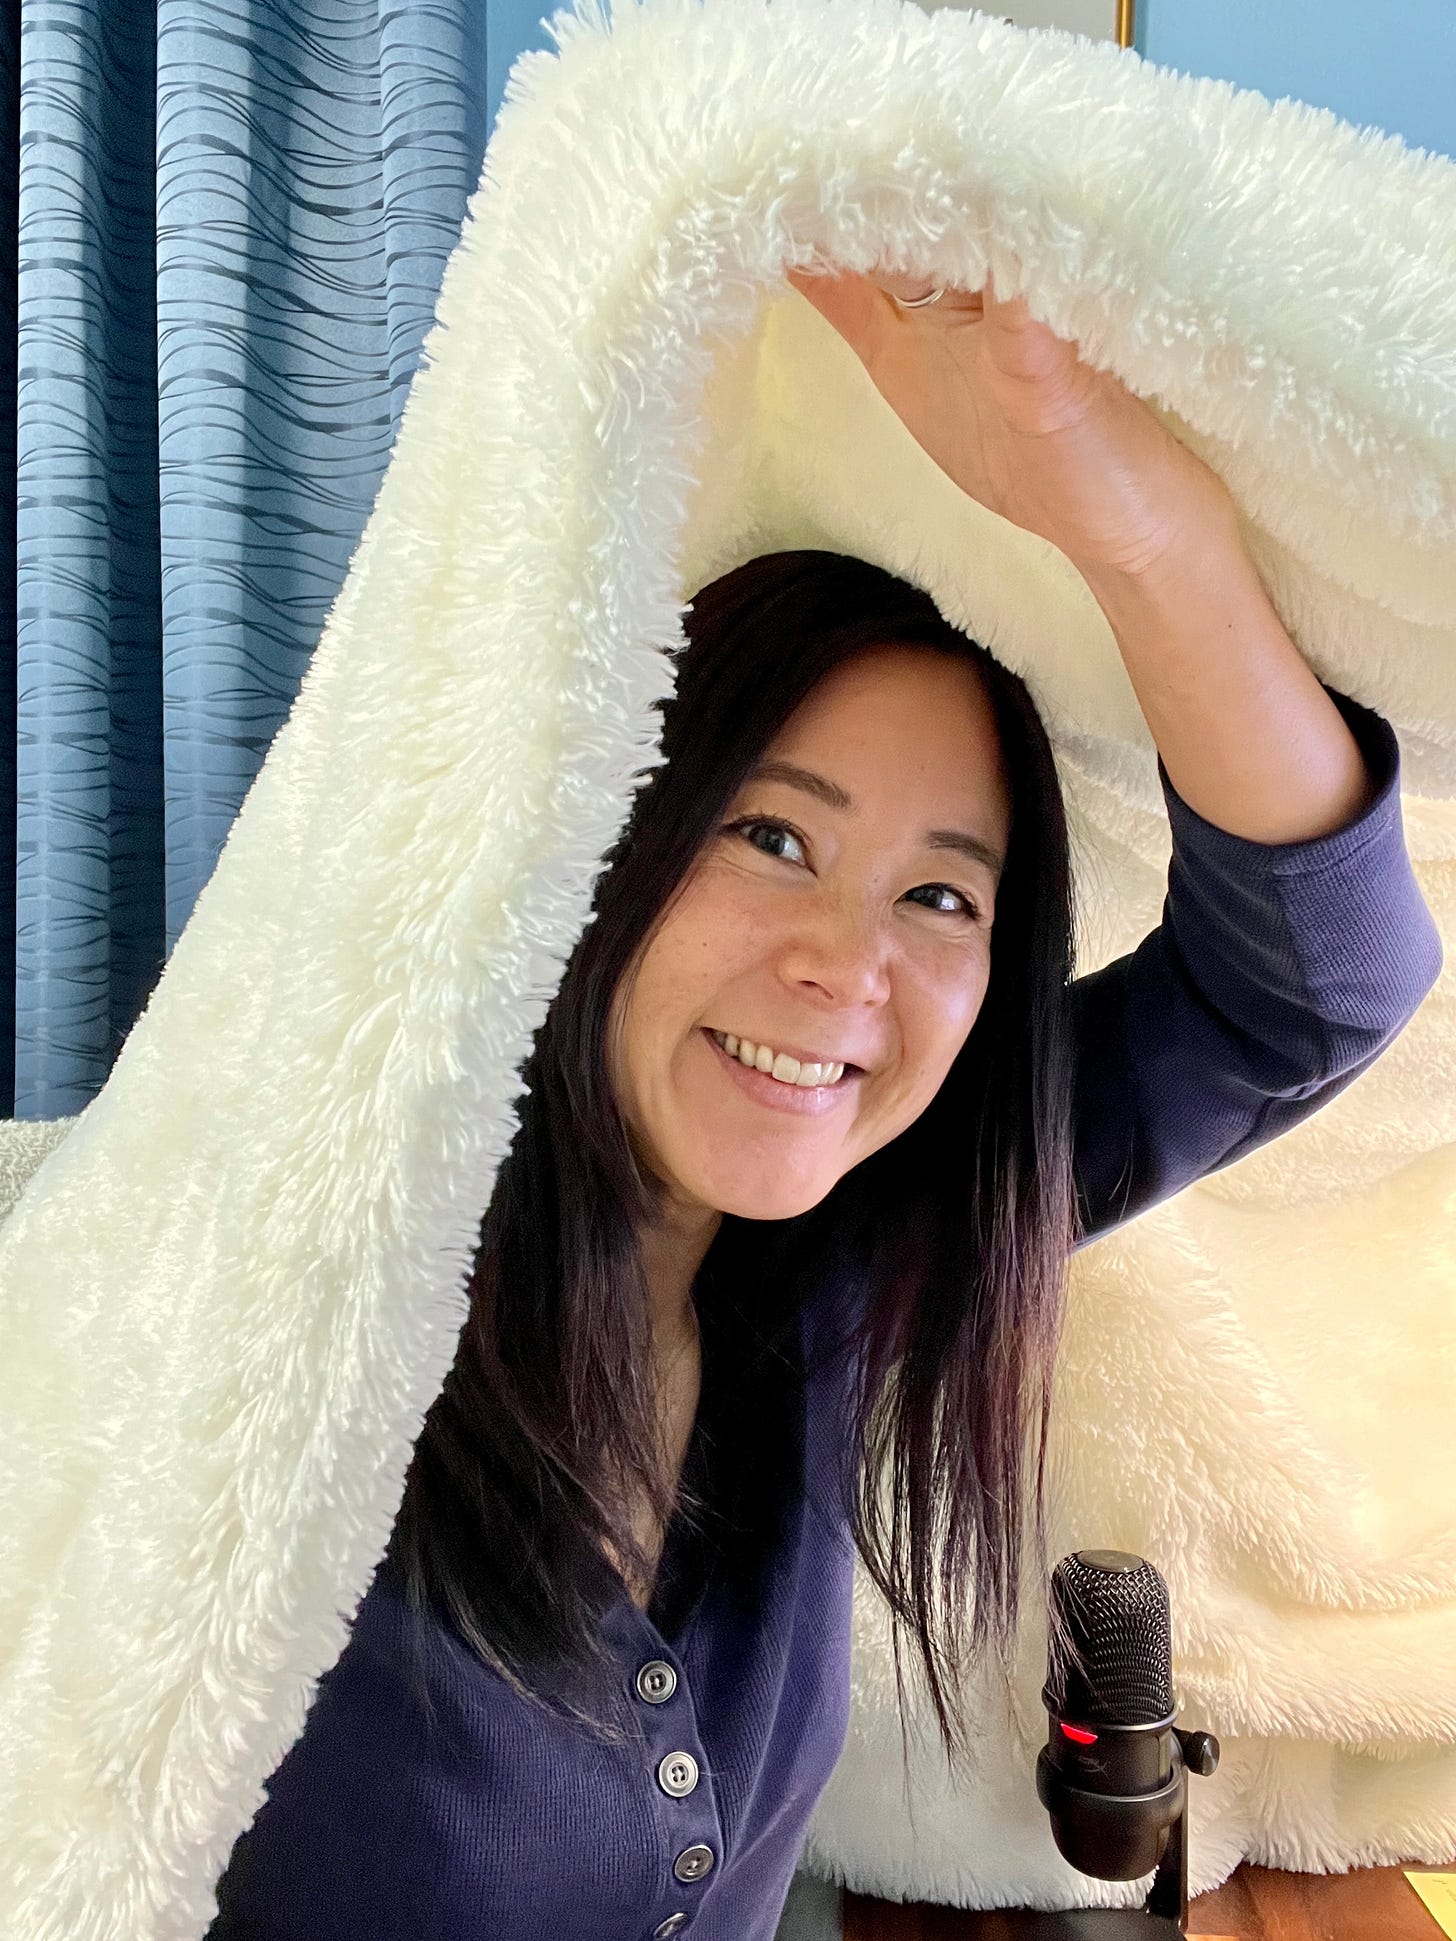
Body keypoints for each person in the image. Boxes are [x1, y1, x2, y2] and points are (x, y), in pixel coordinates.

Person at [204, 277, 1442, 1941]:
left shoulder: (840, 1260)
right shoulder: (285, 1346)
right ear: (611, 843)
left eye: (942, 897)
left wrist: (1127, 518)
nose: (845, 968)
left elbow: (1315, 981)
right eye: (774, 839)